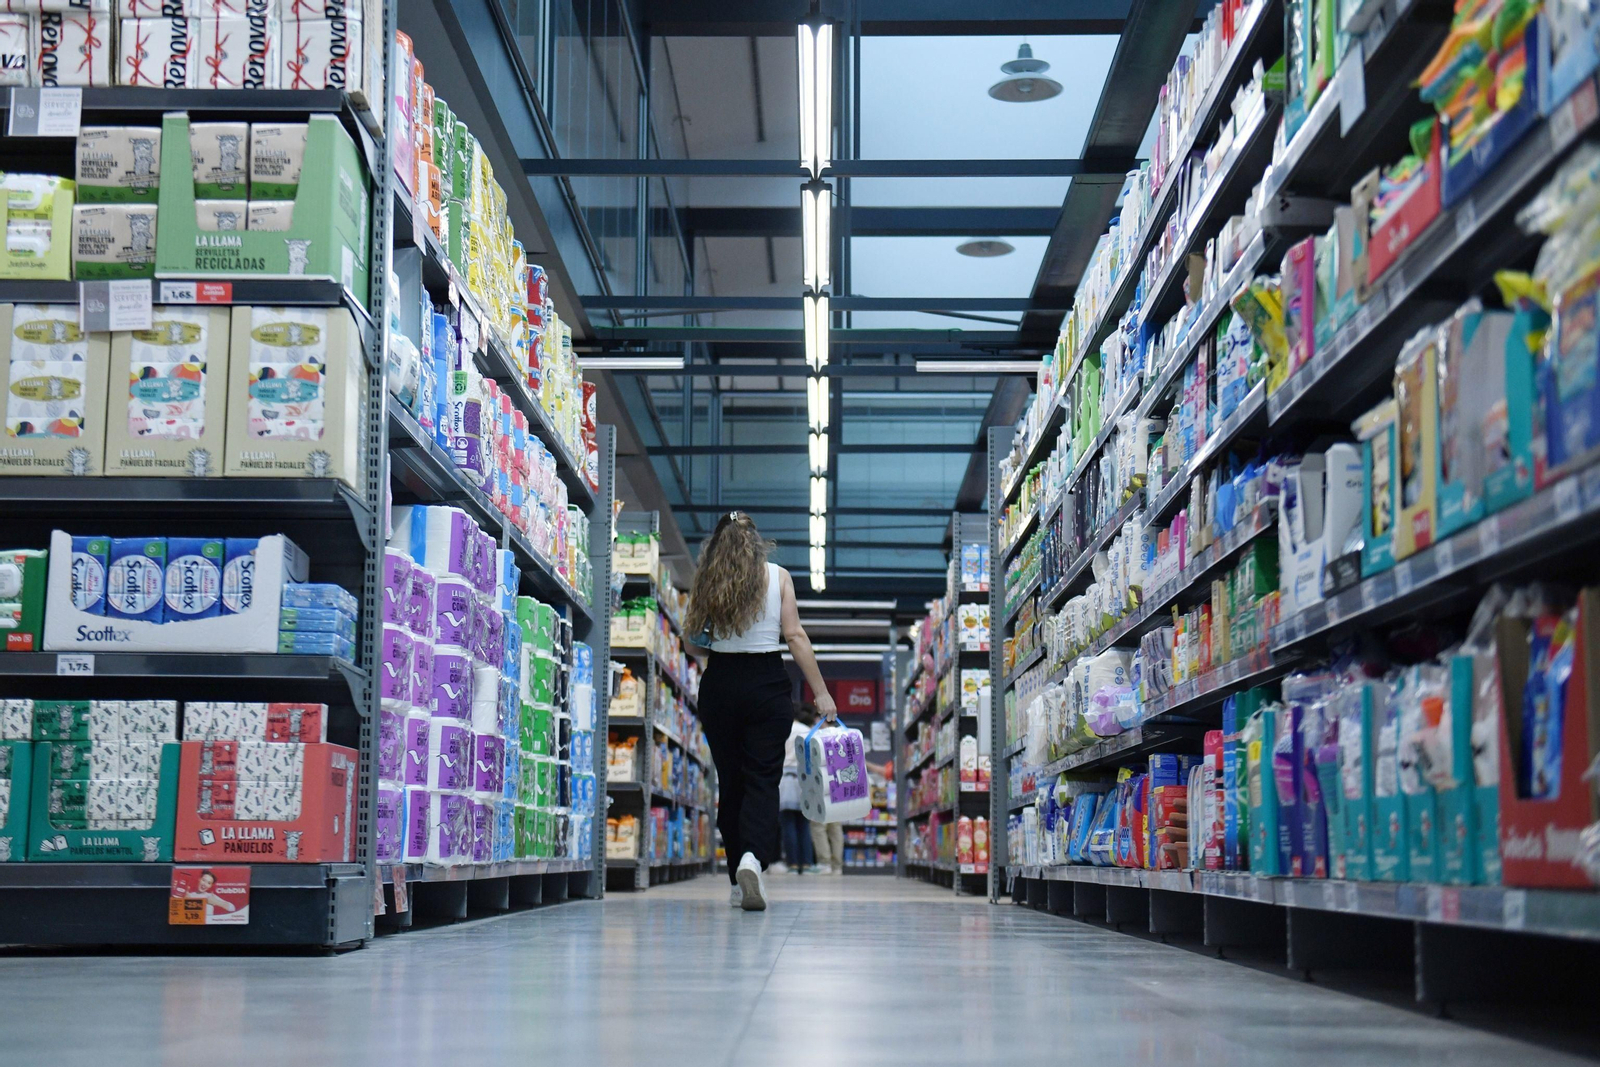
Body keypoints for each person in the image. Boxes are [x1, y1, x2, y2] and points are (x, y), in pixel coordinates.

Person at [685, 511, 837, 911]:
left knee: (731, 783)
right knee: (762, 780)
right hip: (768, 685)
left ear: (717, 543)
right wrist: (821, 694)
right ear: (756, 541)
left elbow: (692, 647)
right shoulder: (779, 576)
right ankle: (754, 857)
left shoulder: (706, 580)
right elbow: (795, 636)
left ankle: (737, 875)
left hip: (720, 685)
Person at [777, 706, 819, 874]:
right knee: (804, 824)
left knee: (788, 823)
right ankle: (807, 863)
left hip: (786, 778)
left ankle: (793, 864)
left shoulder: (782, 730)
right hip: (805, 779)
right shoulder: (808, 730)